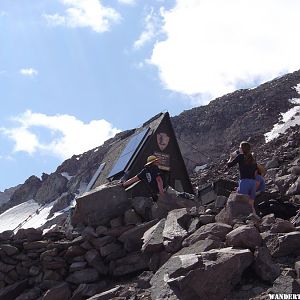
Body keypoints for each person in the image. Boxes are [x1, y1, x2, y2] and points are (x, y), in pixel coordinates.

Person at [227, 141, 258, 215]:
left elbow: (229, 165)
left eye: (239, 147)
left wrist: (231, 157)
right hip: (253, 183)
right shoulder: (252, 157)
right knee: (251, 204)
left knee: (243, 203)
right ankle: (255, 218)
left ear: (242, 149)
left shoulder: (240, 156)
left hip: (244, 182)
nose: (239, 149)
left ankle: (247, 222)